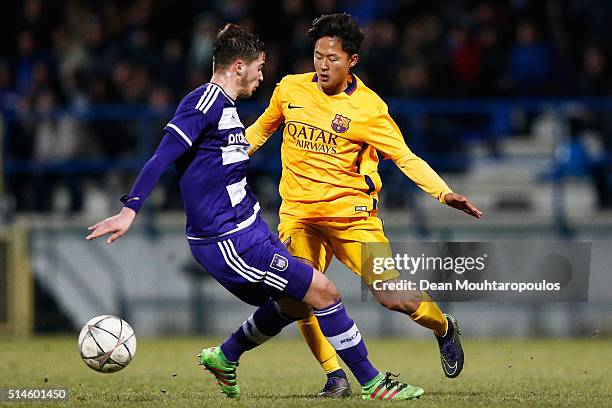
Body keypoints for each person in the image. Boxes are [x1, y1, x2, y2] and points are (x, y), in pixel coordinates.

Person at [86, 23, 426, 401]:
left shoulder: (228, 108)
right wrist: (130, 209)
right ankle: (373, 383)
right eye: (259, 67)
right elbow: (162, 155)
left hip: (252, 227)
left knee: (297, 301)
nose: (263, 75)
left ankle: (226, 355)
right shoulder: (203, 103)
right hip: (227, 239)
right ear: (238, 67)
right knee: (324, 292)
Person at [246, 13, 483, 398]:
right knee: (301, 295)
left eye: (333, 58)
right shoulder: (290, 89)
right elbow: (260, 129)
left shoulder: (370, 109)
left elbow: (406, 157)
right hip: (299, 216)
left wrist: (443, 193)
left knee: (392, 296)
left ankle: (443, 327)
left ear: (352, 60)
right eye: (318, 55)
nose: (323, 65)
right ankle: (335, 377)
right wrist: (230, 156)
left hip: (353, 218)